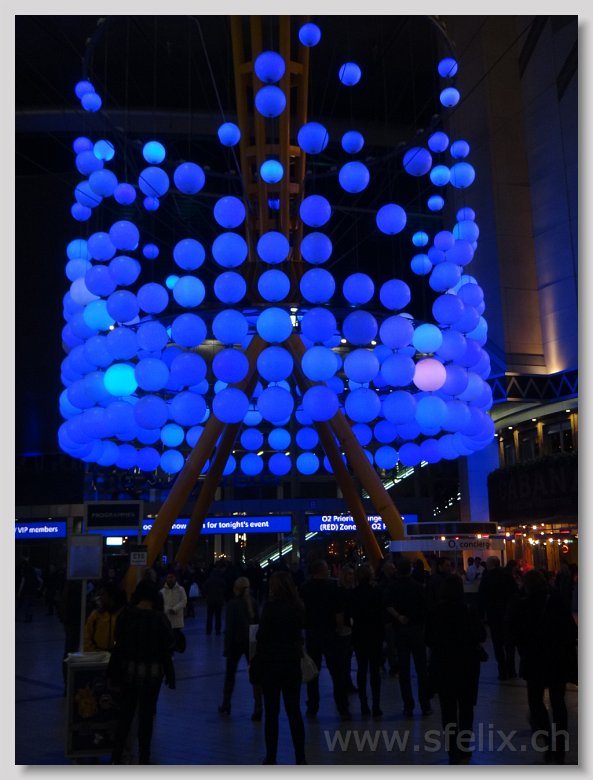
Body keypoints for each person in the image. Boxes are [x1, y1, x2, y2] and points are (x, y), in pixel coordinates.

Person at [506, 569, 577, 765]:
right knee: (558, 703)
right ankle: (560, 748)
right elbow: (572, 631)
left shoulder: (522, 605)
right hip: (558, 660)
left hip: (534, 660)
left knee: (535, 702)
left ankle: (547, 742)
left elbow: (513, 635)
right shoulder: (557, 602)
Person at [108, 579, 176, 765]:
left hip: (128, 671)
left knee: (125, 715)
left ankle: (116, 756)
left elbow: (118, 645)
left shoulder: (126, 615)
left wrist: (113, 672)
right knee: (146, 718)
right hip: (152, 674)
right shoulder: (159, 618)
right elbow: (169, 645)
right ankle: (144, 758)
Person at [425, 574, 487, 765]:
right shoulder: (469, 610)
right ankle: (464, 745)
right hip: (467, 665)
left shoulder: (435, 612)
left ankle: (452, 749)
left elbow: (428, 639)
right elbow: (481, 636)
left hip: (444, 665)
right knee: (466, 707)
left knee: (448, 710)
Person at [254, 571, 306, 765]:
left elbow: (261, 635)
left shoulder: (270, 607)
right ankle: (300, 757)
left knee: (272, 713)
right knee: (294, 711)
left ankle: (271, 756)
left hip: (271, 664)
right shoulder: (297, 606)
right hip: (292, 663)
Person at [300, 559, 351, 720]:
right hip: (330, 632)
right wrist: (340, 628)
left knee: (313, 671)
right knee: (337, 672)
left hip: (312, 632)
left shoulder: (305, 588)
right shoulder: (333, 587)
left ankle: (312, 706)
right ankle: (342, 707)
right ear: (322, 570)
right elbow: (339, 612)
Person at [383, 556, 432, 717]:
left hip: (400, 631)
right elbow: (425, 609)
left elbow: (387, 605)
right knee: (421, 669)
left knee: (404, 671)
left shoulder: (392, 587)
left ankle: (408, 706)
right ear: (410, 570)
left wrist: (399, 617)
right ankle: (425, 704)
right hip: (416, 630)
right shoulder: (418, 587)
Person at [218, 576, 262, 720]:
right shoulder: (253, 602)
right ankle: (258, 706)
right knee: (255, 675)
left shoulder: (232, 604)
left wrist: (227, 647)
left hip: (235, 643)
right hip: (251, 642)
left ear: (236, 588)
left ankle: (226, 703)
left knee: (230, 674)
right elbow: (258, 624)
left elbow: (229, 628)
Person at [350, 563, 384, 717]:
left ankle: (364, 704)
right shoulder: (376, 592)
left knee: (362, 669)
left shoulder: (354, 594)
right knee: (374, 671)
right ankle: (376, 705)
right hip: (375, 634)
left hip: (359, 634)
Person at [478, 556, 518, 679]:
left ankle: (502, 670)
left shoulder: (487, 578)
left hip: (494, 615)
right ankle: (511, 669)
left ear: (491, 565)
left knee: (497, 644)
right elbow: (515, 594)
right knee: (509, 644)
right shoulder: (507, 577)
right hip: (508, 615)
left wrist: (482, 615)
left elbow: (482, 598)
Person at [83, 582, 127, 652]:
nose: (100, 597)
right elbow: (86, 638)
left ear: (112, 596)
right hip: (97, 655)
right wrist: (94, 652)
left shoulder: (124, 615)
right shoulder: (96, 615)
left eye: (103, 594)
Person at [160, 571, 187, 653]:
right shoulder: (162, 592)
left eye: (172, 577)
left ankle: (175, 649)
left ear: (175, 578)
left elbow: (184, 601)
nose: (170, 579)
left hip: (177, 618)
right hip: (166, 618)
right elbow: (160, 603)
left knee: (176, 635)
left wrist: (175, 609)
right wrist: (167, 610)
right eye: (168, 577)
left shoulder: (181, 589)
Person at [202, 560, 227, 635]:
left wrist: (206, 596)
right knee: (218, 616)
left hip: (210, 600)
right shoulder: (221, 579)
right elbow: (225, 589)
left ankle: (208, 630)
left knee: (209, 616)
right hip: (219, 600)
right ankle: (217, 630)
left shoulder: (209, 580)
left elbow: (204, 589)